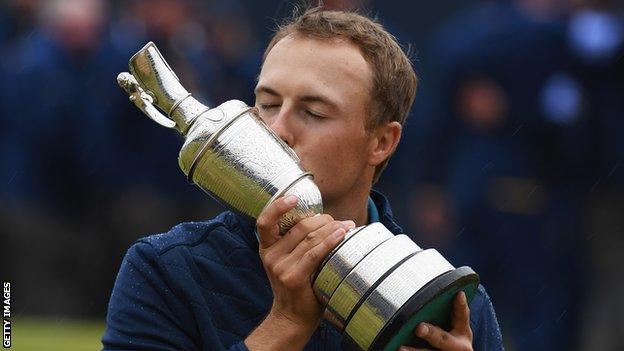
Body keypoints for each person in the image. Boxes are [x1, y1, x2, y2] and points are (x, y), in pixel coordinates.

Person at [102, 8, 504, 351]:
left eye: (313, 112)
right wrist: (287, 324)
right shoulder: (167, 269)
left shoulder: (448, 301)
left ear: (382, 141)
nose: (277, 129)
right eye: (267, 104)